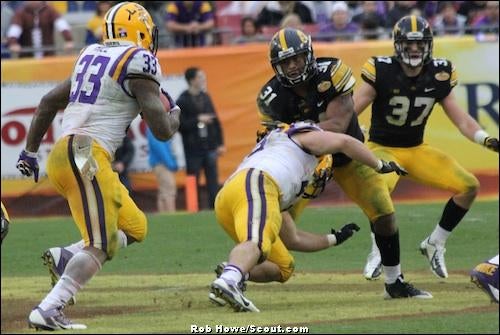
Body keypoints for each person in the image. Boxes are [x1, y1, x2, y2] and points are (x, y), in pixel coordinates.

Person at [16, 2, 180, 330]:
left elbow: (48, 101)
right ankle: (50, 308)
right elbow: (162, 130)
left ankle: (66, 257)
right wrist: (177, 112)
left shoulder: (90, 54)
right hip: (86, 154)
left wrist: (29, 153)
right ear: (141, 31)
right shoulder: (140, 60)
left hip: (67, 155)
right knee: (102, 244)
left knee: (134, 226)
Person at [256, 27, 431, 299]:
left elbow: (337, 126)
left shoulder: (333, 73)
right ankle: (240, 268)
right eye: (286, 61)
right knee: (269, 215)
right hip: (304, 164)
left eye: (297, 58)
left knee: (384, 214)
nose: (292, 66)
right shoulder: (271, 95)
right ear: (276, 65)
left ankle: (394, 281)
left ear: (309, 56)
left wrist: (292, 129)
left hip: (347, 156)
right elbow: (275, 138)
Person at [353, 15, 499, 280]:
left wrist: (484, 139)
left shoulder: (439, 72)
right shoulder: (381, 70)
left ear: (428, 45)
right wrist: (351, 133)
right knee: (379, 193)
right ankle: (378, 252)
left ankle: (435, 242)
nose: (415, 49)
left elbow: (461, 119)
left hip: (416, 149)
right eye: (409, 44)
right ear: (398, 46)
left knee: (469, 186)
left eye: (420, 44)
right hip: (382, 148)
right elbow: (352, 109)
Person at [209, 121, 408, 312]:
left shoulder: (285, 171)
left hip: (233, 196)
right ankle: (229, 279)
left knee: (283, 266)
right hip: (257, 182)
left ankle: (233, 271)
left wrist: (334, 239)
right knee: (256, 242)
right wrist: (380, 165)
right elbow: (345, 142)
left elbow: (292, 238)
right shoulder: (303, 137)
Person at [177, 67, 225, 209]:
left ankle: (215, 208)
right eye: (200, 77)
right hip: (193, 149)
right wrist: (198, 119)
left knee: (213, 181)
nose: (203, 80)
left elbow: (216, 122)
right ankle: (194, 209)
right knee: (193, 180)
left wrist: (220, 143)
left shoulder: (206, 97)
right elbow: (180, 125)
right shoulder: (182, 100)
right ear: (192, 80)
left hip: (209, 146)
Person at [6, 1, 74, 58]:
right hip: (27, 57)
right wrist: (13, 42)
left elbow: (61, 24)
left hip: (48, 56)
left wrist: (68, 39)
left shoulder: (50, 10)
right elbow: (15, 28)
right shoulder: (21, 12)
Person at [146, 125, 179, 212]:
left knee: (163, 191)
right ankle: (171, 214)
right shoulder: (156, 128)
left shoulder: (153, 128)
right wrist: (171, 163)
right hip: (162, 164)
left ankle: (163, 214)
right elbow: (160, 148)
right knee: (169, 189)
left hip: (159, 163)